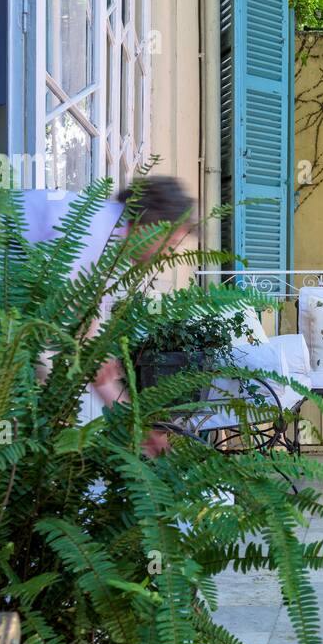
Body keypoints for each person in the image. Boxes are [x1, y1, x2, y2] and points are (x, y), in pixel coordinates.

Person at [91, 176, 196, 456]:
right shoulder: (94, 234)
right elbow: (90, 355)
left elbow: (93, 362)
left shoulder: (109, 248)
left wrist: (140, 432)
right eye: (171, 243)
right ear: (151, 224)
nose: (169, 256)